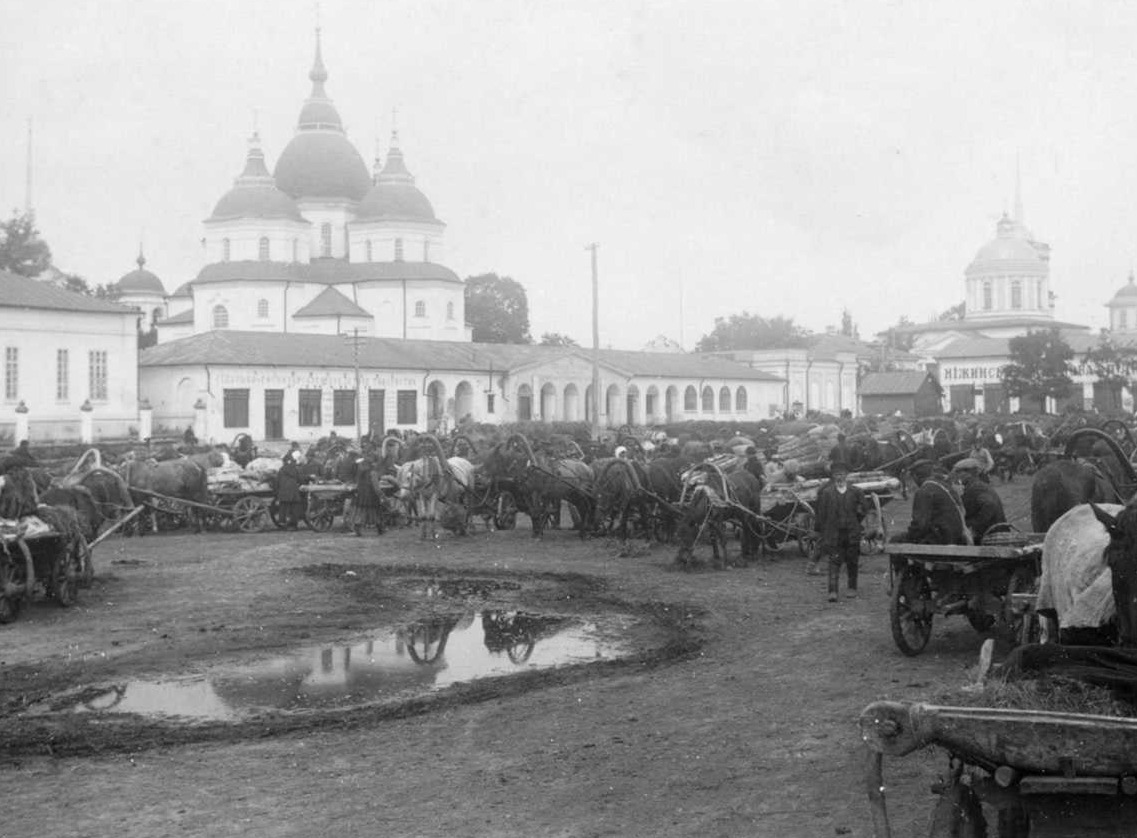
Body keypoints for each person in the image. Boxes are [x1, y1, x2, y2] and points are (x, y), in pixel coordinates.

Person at [814, 460, 865, 601]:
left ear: (846, 475)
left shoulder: (856, 492)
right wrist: (821, 531)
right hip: (834, 534)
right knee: (834, 561)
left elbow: (863, 510)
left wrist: (854, 523)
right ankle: (833, 591)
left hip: (851, 533)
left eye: (842, 474)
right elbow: (821, 514)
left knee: (852, 561)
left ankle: (852, 588)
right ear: (833, 476)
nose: (839, 477)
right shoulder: (826, 493)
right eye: (836, 474)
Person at [904, 460, 968, 545]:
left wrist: (909, 537)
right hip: (958, 535)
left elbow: (920, 524)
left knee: (896, 541)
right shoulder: (943, 485)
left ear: (916, 476)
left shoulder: (924, 491)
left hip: (941, 539)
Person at [952, 458, 1006, 543]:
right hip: (992, 532)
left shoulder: (977, 488)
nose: (957, 476)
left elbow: (989, 505)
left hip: (992, 536)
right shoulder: (974, 486)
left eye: (959, 472)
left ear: (969, 473)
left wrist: (974, 526)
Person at [352, 457, 385, 536]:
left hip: (361, 495)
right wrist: (382, 495)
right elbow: (376, 487)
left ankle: (357, 528)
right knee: (375, 512)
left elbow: (357, 485)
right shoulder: (373, 473)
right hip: (371, 496)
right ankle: (380, 528)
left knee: (361, 512)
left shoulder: (360, 474)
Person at [275, 452, 304, 531]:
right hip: (293, 492)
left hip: (283, 492)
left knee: (283, 507)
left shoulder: (281, 469)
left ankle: (282, 522)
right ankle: (293, 525)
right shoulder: (295, 469)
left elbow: (277, 481)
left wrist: (277, 492)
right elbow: (300, 479)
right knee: (295, 507)